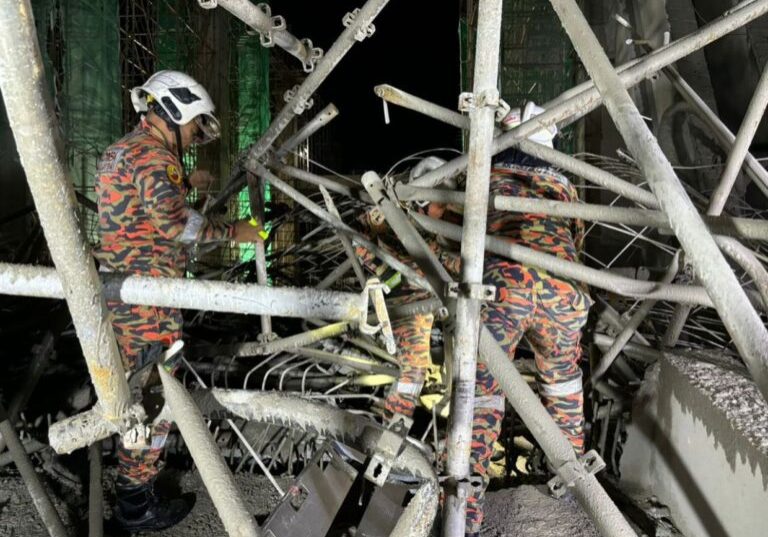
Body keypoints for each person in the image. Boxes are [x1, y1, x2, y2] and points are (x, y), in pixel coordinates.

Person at [94, 70, 264, 531]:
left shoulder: (122, 152)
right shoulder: (154, 158)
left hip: (126, 294)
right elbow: (175, 227)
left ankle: (133, 492)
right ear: (172, 112)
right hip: (149, 303)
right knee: (153, 399)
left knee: (137, 393)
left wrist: (185, 182)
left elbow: (142, 208)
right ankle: (136, 504)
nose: (192, 139)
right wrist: (237, 233)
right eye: (192, 129)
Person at [429, 102, 593, 536]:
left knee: (481, 388)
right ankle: (575, 480)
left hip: (504, 285)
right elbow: (574, 238)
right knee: (561, 379)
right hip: (565, 291)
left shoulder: (486, 175)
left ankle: (467, 505)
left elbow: (452, 230)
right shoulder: (565, 188)